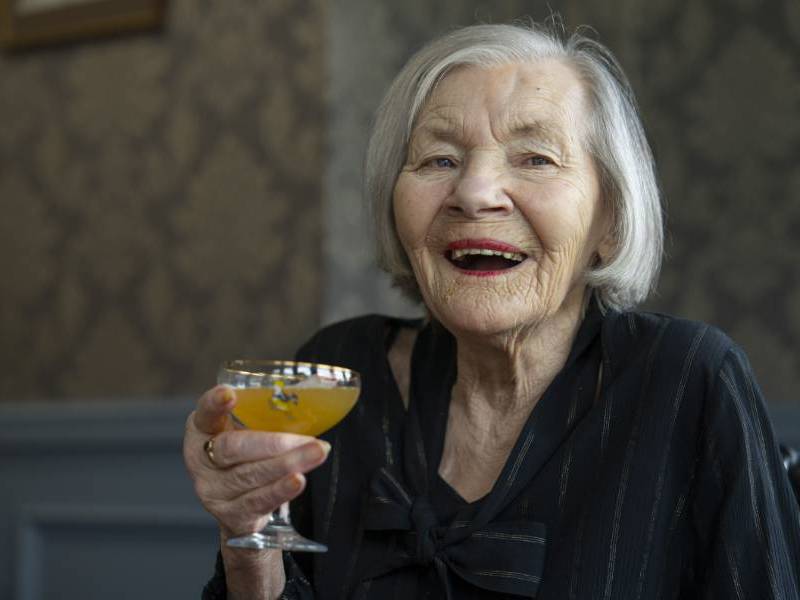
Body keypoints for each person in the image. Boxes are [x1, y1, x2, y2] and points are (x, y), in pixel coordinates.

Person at [183, 21, 800, 599]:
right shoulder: (339, 371)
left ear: (609, 220)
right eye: (439, 160)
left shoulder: (688, 379)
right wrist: (247, 536)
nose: (475, 193)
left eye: (535, 158)